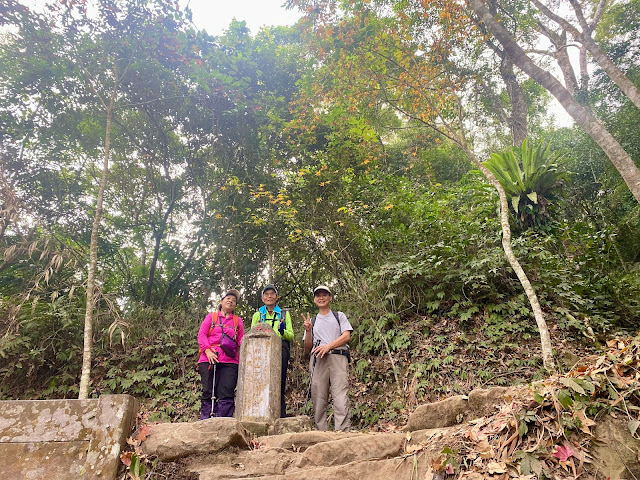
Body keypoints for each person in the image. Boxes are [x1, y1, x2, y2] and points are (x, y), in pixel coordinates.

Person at [303, 285, 353, 431]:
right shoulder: (312, 321)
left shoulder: (339, 316)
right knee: (318, 397)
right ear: (314, 299)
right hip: (318, 359)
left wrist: (328, 346)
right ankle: (321, 433)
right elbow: (307, 348)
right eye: (318, 295)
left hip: (338, 357)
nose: (321, 297)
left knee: (340, 395)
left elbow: (346, 336)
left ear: (330, 298)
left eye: (325, 295)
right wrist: (308, 331)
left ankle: (342, 432)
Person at [197, 289, 244, 419]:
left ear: (235, 306)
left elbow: (241, 340)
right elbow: (201, 335)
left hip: (230, 360)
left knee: (226, 391)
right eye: (228, 298)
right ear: (221, 301)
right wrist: (207, 351)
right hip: (209, 358)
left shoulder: (237, 321)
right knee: (208, 391)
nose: (231, 301)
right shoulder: (211, 317)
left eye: (234, 300)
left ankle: (224, 422)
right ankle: (206, 420)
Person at [251, 284, 294, 417]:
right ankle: (261, 413)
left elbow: (291, 335)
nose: (269, 296)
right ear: (262, 298)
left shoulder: (284, 314)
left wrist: (282, 331)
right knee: (261, 381)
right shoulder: (257, 315)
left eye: (272, 294)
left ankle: (280, 415)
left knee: (279, 382)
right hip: (261, 351)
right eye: (266, 294)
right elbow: (252, 334)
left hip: (280, 350)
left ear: (277, 297)